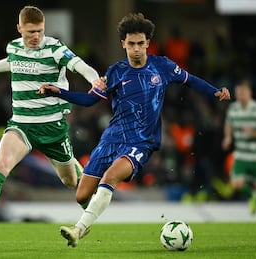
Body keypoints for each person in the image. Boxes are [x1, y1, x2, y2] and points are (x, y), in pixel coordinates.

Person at [38, 12, 230, 247]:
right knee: (81, 195)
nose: (136, 48)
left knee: (110, 177)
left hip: (141, 142)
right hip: (112, 138)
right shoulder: (115, 72)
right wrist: (59, 92)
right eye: (131, 44)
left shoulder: (163, 66)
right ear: (123, 44)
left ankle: (78, 229)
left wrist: (215, 91)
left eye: (141, 43)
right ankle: (90, 215)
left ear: (148, 43)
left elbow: (190, 80)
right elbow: (89, 101)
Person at [0, 5, 105, 238]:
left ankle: (88, 216)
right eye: (30, 32)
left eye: (39, 31)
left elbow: (81, 66)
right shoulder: (14, 46)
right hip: (21, 124)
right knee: (1, 164)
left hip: (52, 127)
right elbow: (11, 61)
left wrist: (94, 80)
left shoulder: (54, 48)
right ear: (19, 29)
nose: (36, 36)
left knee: (71, 181)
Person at [221, 79, 256, 215]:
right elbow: (229, 124)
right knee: (236, 184)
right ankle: (253, 196)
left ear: (249, 93)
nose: (239, 95)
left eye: (242, 92)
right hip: (241, 154)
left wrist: (254, 133)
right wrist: (228, 137)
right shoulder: (233, 108)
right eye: (238, 93)